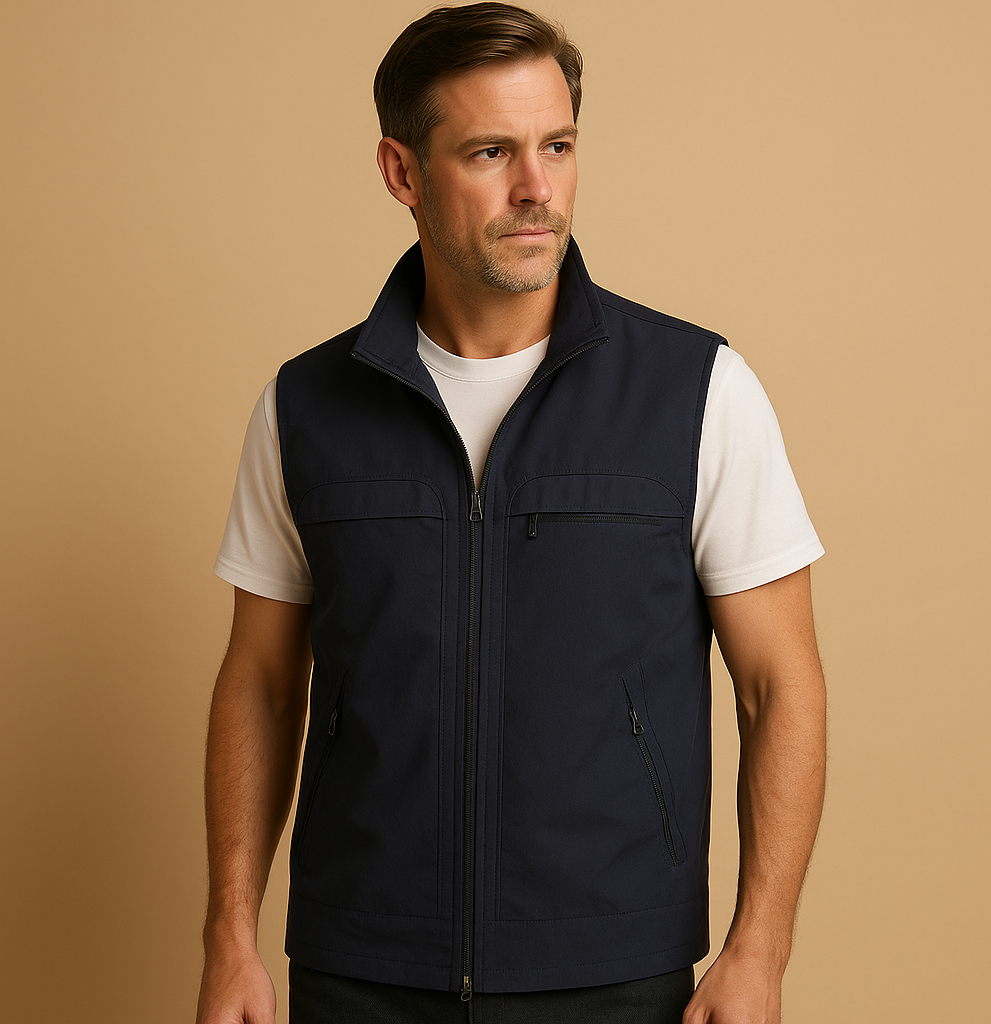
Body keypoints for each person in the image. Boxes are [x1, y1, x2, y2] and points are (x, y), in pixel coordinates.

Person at [195, 4, 827, 1023]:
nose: (537, 187)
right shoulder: (304, 407)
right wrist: (229, 934)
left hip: (613, 971)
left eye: (558, 146)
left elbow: (779, 685)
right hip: (363, 970)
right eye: (491, 152)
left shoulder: (697, 391)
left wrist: (760, 951)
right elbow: (262, 684)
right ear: (402, 173)